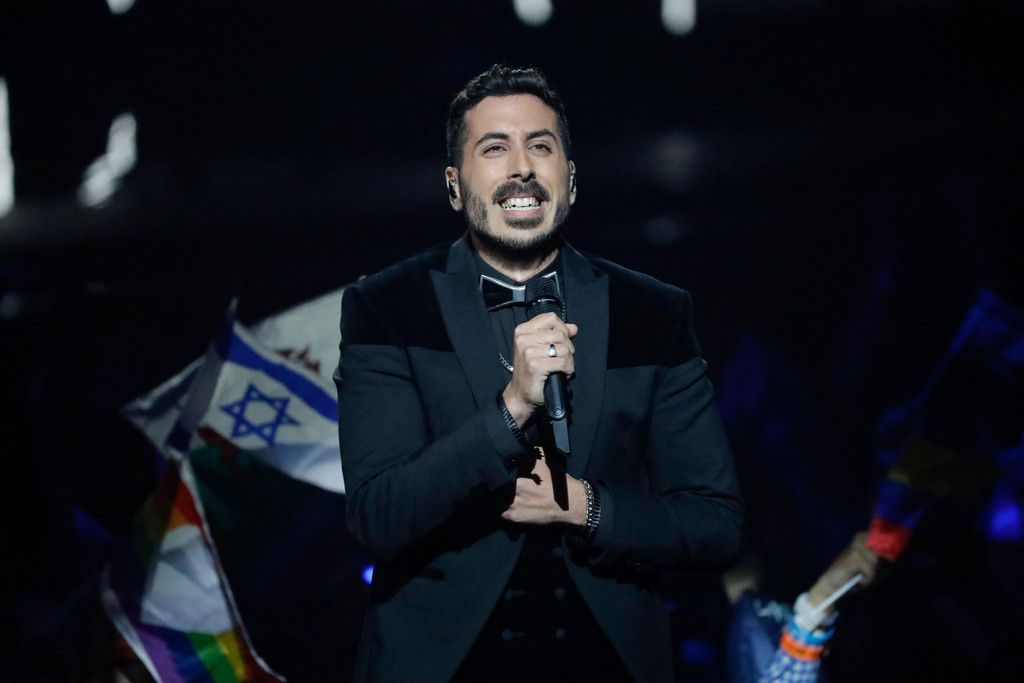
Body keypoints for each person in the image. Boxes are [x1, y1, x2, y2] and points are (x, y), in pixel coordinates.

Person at [335, 64, 744, 682]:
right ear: (454, 185)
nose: (522, 167)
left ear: (570, 181)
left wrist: (589, 509)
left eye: (541, 146)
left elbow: (717, 526)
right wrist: (509, 413)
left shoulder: (653, 312)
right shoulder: (389, 307)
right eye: (494, 148)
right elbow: (379, 517)